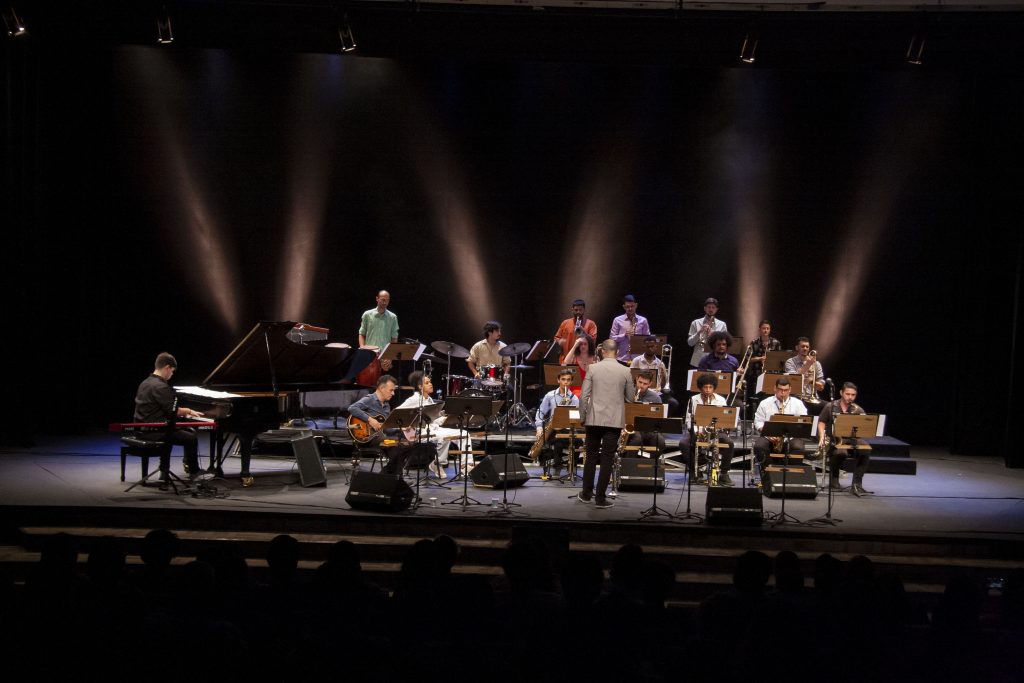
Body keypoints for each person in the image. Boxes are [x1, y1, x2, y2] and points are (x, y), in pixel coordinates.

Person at [578, 339, 634, 508]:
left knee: (591, 457)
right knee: (607, 458)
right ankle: (600, 498)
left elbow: (583, 397)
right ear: (617, 352)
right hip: (614, 420)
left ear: (602, 351)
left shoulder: (593, 368)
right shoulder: (625, 370)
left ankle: (587, 494)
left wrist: (582, 417)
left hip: (593, 419)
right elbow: (630, 398)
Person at [132, 352, 205, 479]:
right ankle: (194, 471)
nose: (171, 374)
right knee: (191, 437)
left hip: (141, 429)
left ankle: (164, 473)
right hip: (155, 432)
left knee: (172, 430)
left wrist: (185, 410)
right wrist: (188, 410)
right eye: (172, 371)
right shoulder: (161, 386)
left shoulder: (145, 383)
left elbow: (164, 407)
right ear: (167, 368)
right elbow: (173, 411)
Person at [397, 371, 470, 479]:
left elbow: (433, 420)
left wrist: (448, 418)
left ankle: (466, 466)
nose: (431, 384)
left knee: (464, 433)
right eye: (427, 383)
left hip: (434, 429)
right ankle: (437, 463)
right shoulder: (413, 399)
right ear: (420, 386)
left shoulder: (429, 399)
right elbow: (397, 413)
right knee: (445, 437)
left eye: (430, 382)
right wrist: (406, 425)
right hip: (420, 433)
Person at [682, 373, 735, 485]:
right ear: (700, 388)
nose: (708, 390)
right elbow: (688, 420)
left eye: (710, 387)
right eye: (705, 387)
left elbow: (724, 420)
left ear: (714, 388)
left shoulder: (720, 400)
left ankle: (724, 473)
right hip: (698, 431)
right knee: (683, 443)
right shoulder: (693, 399)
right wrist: (697, 431)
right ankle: (694, 472)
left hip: (716, 432)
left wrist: (715, 429)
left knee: (729, 443)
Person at [818, 382, 870, 496]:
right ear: (841, 393)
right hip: (834, 439)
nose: (850, 397)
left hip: (852, 439)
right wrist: (822, 436)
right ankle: (834, 479)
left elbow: (864, 428)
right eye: (848, 394)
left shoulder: (858, 410)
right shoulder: (830, 406)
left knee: (866, 449)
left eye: (853, 395)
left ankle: (857, 483)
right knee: (840, 452)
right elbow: (821, 422)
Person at [533, 368, 580, 479]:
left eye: (568, 380)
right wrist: (539, 428)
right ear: (558, 380)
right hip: (552, 429)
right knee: (558, 441)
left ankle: (572, 467)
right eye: (563, 379)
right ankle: (557, 468)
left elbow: (577, 417)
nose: (565, 382)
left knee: (578, 441)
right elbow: (540, 412)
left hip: (568, 429)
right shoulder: (550, 395)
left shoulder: (574, 398)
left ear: (571, 382)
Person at [752, 377, 808, 468]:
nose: (783, 393)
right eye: (780, 390)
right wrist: (767, 433)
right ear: (775, 388)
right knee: (759, 446)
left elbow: (804, 422)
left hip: (790, 438)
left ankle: (791, 475)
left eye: (786, 390)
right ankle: (768, 474)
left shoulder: (798, 404)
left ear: (790, 390)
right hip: (769, 437)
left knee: (798, 447)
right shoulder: (765, 403)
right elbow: (758, 422)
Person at [630, 335, 680, 416]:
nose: (650, 348)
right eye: (648, 346)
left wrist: (663, 377)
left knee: (674, 403)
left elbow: (664, 386)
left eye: (652, 346)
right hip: (640, 391)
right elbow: (631, 379)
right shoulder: (636, 361)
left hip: (657, 393)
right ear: (644, 347)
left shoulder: (660, 363)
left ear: (656, 347)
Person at [625, 371, 666, 457]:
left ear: (650, 384)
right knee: (637, 439)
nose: (641, 385)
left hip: (648, 429)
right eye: (640, 382)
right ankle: (629, 465)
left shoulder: (655, 397)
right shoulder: (628, 393)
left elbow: (659, 418)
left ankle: (649, 465)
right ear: (636, 379)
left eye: (645, 383)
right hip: (631, 427)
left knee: (660, 442)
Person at [348, 374, 398, 445]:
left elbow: (386, 428)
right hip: (367, 437)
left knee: (403, 440)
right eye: (391, 390)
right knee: (399, 443)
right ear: (381, 388)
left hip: (379, 436)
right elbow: (352, 408)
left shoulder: (387, 405)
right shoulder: (370, 399)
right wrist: (370, 420)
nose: (393, 393)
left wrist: (401, 429)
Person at [358, 290, 399, 370]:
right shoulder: (367, 314)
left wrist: (390, 357)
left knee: (382, 381)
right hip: (369, 354)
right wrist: (362, 348)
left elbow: (394, 339)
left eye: (387, 300)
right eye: (383, 300)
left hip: (384, 357)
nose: (385, 303)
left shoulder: (393, 317)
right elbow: (361, 334)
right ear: (377, 298)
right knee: (367, 381)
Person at [553, 299, 598, 364]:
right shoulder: (565, 323)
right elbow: (556, 337)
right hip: (567, 359)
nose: (578, 312)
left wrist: (584, 332)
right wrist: (559, 341)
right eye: (576, 310)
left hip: (583, 361)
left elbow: (593, 341)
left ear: (584, 310)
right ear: (572, 310)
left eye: (580, 310)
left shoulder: (591, 324)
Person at [688, 297, 729, 367]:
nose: (711, 309)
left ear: (716, 309)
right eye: (709, 307)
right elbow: (690, 343)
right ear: (705, 308)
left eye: (713, 307)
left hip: (716, 358)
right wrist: (699, 332)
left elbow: (725, 343)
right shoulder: (695, 322)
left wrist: (713, 334)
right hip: (698, 357)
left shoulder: (722, 324)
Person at [784, 337, 825, 405]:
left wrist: (811, 382)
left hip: (812, 398)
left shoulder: (816, 364)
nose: (805, 348)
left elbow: (821, 387)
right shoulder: (790, 362)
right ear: (797, 348)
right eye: (802, 346)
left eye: (807, 347)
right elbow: (793, 380)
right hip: (796, 397)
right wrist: (807, 365)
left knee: (829, 407)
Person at [609, 294, 650, 362]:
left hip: (638, 358)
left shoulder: (643, 320)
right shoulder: (617, 320)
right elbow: (611, 338)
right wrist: (624, 335)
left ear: (636, 305)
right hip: (621, 358)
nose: (630, 309)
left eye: (632, 306)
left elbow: (648, 339)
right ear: (624, 307)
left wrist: (637, 338)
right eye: (628, 307)